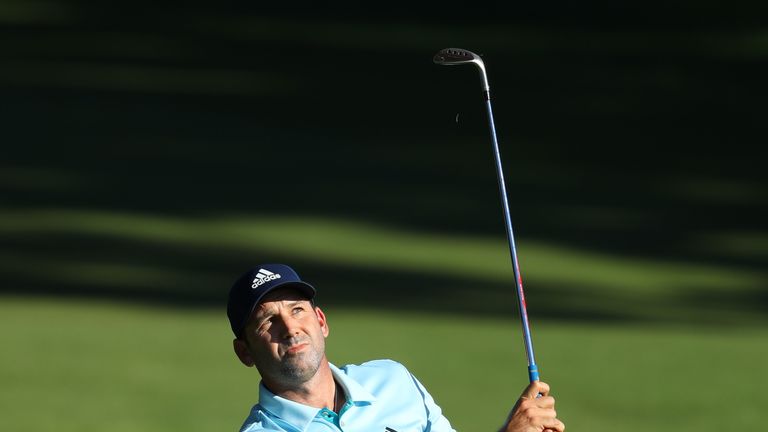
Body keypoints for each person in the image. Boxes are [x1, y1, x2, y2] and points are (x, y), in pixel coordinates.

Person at [227, 263, 565, 432]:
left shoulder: (393, 380)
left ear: (321, 321)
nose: (289, 329)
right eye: (267, 322)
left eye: (297, 310)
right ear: (245, 352)